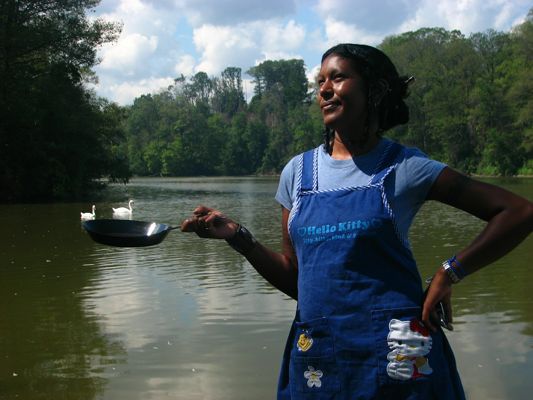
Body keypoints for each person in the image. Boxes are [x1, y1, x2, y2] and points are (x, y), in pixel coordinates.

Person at [181, 43, 533, 399]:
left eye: (338, 78)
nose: (324, 89)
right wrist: (239, 237)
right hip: (320, 358)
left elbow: (518, 212)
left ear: (373, 90)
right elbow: (297, 280)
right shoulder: (297, 174)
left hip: (399, 362)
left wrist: (449, 271)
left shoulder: (404, 168)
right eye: (320, 81)